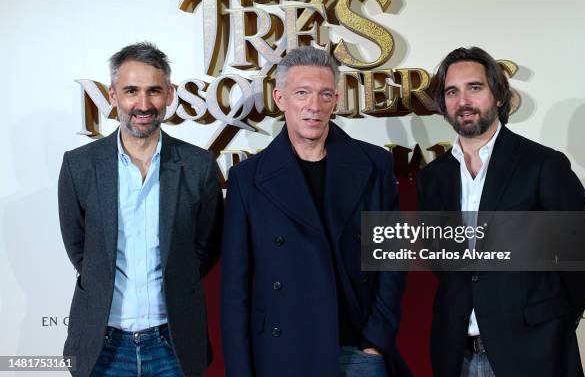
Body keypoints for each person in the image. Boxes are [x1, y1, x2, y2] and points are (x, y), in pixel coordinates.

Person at [220, 46, 410, 377]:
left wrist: (375, 341)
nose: (314, 106)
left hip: (356, 351)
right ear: (280, 99)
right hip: (281, 352)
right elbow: (234, 289)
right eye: (302, 93)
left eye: (324, 95)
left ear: (336, 99)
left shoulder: (373, 164)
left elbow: (392, 258)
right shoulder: (247, 179)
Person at [417, 46, 585, 377]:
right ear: (444, 104)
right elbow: (438, 262)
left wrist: (554, 321)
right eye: (452, 92)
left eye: (475, 87)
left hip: (534, 353)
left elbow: (581, 257)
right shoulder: (432, 178)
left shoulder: (543, 165)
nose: (463, 101)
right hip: (457, 355)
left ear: (498, 96)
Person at [58, 42, 223, 377]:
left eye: (154, 91)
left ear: (170, 95)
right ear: (113, 95)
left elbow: (206, 247)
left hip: (173, 344)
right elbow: (80, 251)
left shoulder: (199, 166)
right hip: (102, 346)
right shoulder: (80, 165)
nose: (143, 104)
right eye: (131, 91)